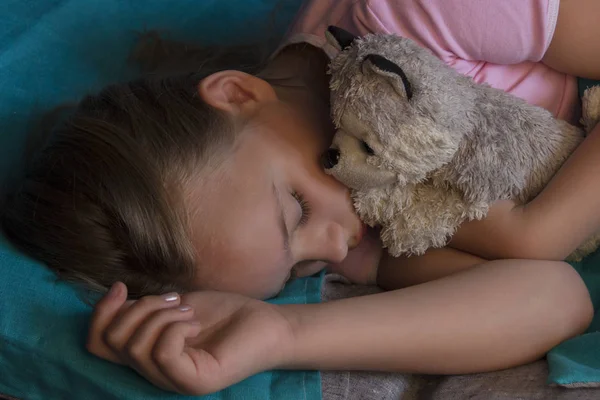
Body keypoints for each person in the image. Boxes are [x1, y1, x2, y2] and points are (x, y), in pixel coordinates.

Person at [1, 0, 599, 395]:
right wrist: (282, 335)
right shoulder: (350, 216)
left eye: (298, 207)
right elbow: (553, 299)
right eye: (304, 266)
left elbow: (539, 252)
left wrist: (536, 230)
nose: (339, 241)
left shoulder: (421, 13)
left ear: (237, 93)